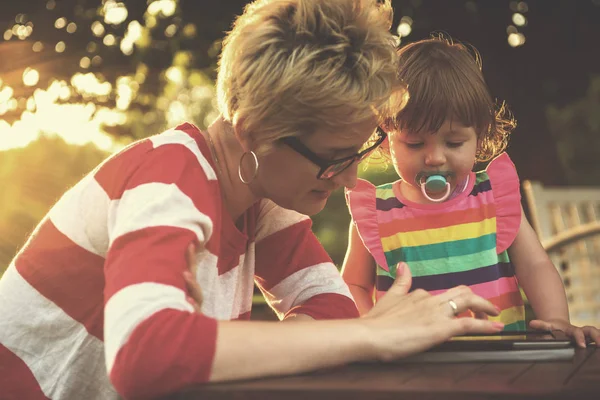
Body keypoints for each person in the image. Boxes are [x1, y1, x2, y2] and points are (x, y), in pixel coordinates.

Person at [0, 4, 505, 400]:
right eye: (333, 158)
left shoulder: (265, 196)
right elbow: (144, 353)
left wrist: (363, 331)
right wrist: (372, 336)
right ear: (255, 133)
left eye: (358, 154)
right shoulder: (168, 177)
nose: (351, 179)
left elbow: (329, 308)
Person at [342, 36, 600, 348]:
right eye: (415, 143)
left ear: (479, 139)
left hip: (500, 360)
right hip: (411, 364)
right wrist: (371, 331)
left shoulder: (494, 199)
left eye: (453, 143)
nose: (435, 157)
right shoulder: (375, 212)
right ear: (386, 140)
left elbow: (535, 266)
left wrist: (557, 320)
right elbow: (353, 284)